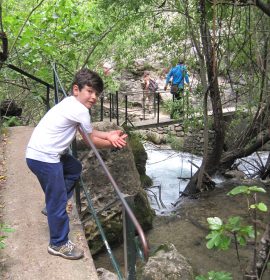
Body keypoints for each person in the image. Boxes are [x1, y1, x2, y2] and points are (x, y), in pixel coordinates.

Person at [25, 68, 128, 260]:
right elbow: (90, 141)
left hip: (39, 153)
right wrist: (113, 143)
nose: (94, 97)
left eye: (97, 93)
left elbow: (88, 131)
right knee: (57, 203)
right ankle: (58, 243)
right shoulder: (80, 110)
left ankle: (54, 204)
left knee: (74, 168)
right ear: (76, 89)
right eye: (89, 91)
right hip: (45, 158)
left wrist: (108, 134)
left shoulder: (71, 104)